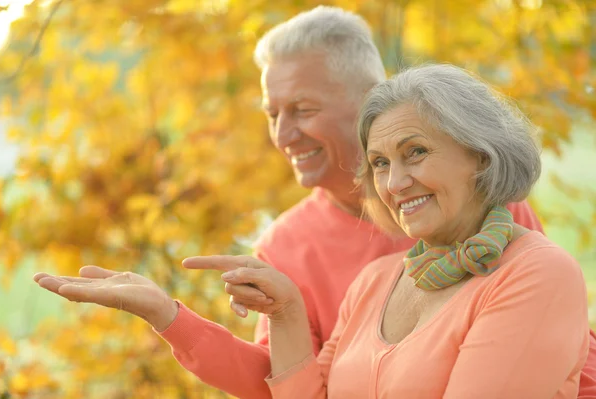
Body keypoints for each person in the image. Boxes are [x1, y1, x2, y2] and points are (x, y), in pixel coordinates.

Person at [32, 6, 596, 399]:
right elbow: (291, 382)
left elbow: (562, 344)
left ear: (366, 100)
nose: (283, 135)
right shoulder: (309, 254)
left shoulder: (487, 213)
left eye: (301, 110)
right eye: (272, 114)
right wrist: (171, 317)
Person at [187, 64, 591, 398]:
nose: (395, 184)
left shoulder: (537, 273)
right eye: (380, 163)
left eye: (415, 152)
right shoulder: (375, 282)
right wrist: (285, 311)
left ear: (481, 156)